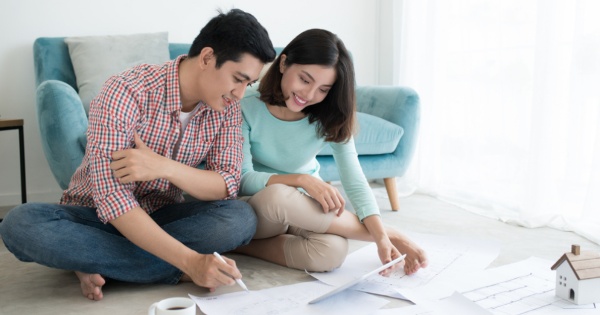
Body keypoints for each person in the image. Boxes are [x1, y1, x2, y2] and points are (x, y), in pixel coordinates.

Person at [0, 8, 275, 301]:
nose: (240, 94)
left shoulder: (227, 108)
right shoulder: (126, 90)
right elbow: (112, 198)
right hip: (94, 217)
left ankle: (94, 260)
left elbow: (226, 183)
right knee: (21, 224)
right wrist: (191, 262)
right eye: (238, 79)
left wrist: (165, 167)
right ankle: (166, 265)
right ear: (207, 58)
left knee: (240, 218)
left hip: (162, 217)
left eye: (249, 84)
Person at [235, 29, 428, 274]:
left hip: (302, 206)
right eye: (305, 79)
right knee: (278, 196)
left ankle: (241, 247)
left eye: (323, 89)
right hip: (258, 207)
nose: (309, 95)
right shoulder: (245, 104)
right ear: (283, 63)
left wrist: (379, 236)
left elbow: (354, 180)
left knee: (332, 252)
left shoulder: (329, 114)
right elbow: (242, 180)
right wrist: (383, 235)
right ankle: (393, 234)